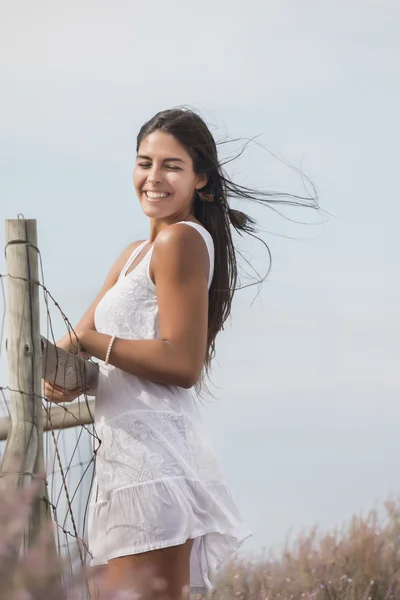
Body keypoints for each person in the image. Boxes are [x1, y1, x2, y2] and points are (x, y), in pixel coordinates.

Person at [44, 108, 317, 599]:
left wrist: (88, 347)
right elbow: (73, 342)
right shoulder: (133, 254)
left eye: (171, 165)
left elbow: (182, 363)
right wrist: (58, 375)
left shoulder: (182, 240)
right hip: (118, 469)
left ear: (200, 178)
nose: (153, 177)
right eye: (144, 162)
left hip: (153, 467)